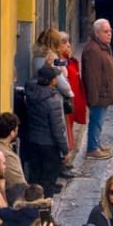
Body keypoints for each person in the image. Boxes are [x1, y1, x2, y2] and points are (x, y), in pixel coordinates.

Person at [23, 65, 72, 197]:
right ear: (53, 81)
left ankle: (33, 205)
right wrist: (65, 150)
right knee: (48, 182)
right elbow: (58, 129)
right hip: (49, 145)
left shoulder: (31, 93)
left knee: (35, 177)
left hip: (33, 141)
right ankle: (45, 210)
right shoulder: (53, 101)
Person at [80, 18, 113, 161]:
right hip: (99, 94)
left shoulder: (102, 46)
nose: (109, 34)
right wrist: (93, 98)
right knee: (96, 121)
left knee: (99, 121)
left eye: (110, 31)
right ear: (97, 33)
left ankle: (96, 144)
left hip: (104, 92)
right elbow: (92, 76)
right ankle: (92, 148)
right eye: (105, 31)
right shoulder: (93, 50)